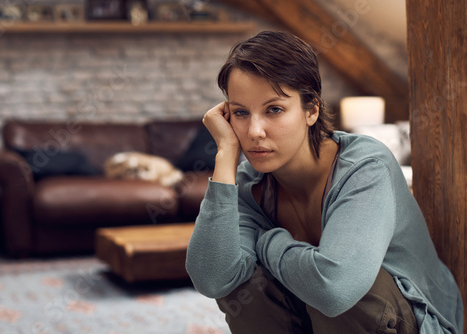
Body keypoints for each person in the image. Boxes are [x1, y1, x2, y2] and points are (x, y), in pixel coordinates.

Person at [185, 30, 463, 334]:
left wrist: (268, 241)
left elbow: (335, 289)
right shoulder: (250, 184)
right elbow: (213, 278)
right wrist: (225, 154)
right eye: (240, 112)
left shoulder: (365, 166)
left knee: (350, 291)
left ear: (311, 110)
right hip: (318, 323)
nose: (254, 131)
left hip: (416, 324)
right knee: (244, 282)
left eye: (274, 109)